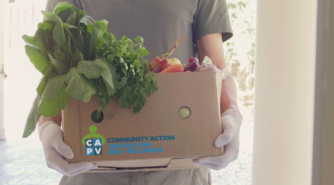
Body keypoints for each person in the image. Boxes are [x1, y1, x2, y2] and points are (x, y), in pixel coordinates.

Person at [38, 0, 243, 184]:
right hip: (93, 169)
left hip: (179, 168)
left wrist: (231, 112)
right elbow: (58, 71)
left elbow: (215, 68)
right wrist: (47, 125)